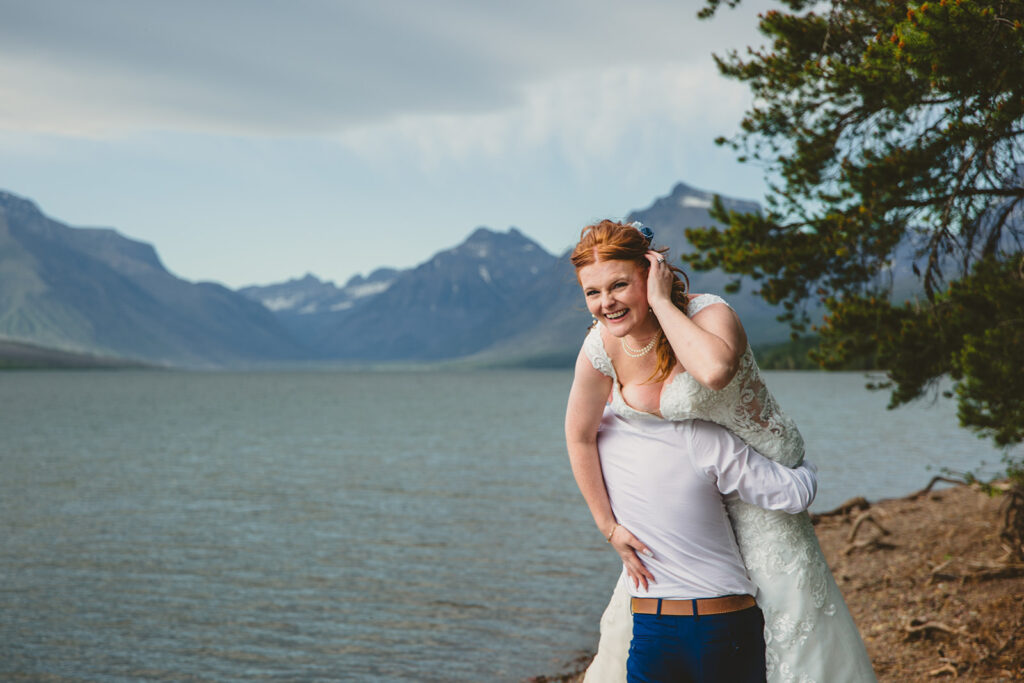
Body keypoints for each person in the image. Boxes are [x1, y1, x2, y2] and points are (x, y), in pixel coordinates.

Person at [564, 220, 876, 682]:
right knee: (663, 604)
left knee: (787, 623)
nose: (605, 302)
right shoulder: (602, 347)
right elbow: (579, 435)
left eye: (619, 285)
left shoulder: (708, 313)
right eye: (593, 292)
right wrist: (609, 526)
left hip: (759, 476)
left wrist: (660, 303)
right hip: (694, 485)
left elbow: (712, 371)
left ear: (651, 274)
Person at [596, 407, 819, 682]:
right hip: (720, 623)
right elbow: (794, 495)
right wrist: (804, 465)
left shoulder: (602, 434)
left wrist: (609, 530)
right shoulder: (702, 436)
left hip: (651, 624)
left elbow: (577, 432)